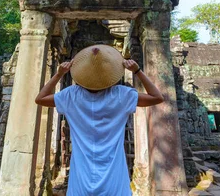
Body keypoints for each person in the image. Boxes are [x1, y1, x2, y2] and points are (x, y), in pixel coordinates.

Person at [35, 44, 164, 196]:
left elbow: (40, 99)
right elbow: (157, 97)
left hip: (80, 180)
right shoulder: (122, 95)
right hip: (114, 179)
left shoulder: (70, 96)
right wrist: (137, 71)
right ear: (111, 74)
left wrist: (59, 74)